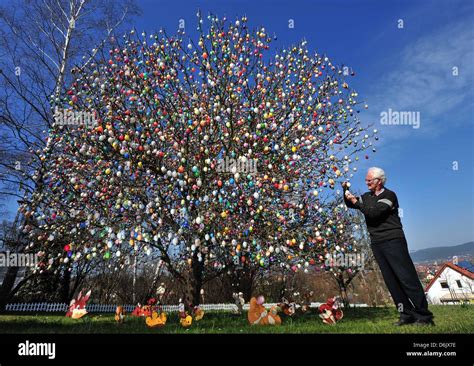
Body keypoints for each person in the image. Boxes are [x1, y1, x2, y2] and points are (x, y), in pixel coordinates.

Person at [343, 167, 434, 326]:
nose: (366, 183)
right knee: (391, 280)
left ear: (379, 181)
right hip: (377, 243)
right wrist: (345, 191)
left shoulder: (389, 196)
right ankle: (406, 315)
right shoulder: (366, 197)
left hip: (393, 240)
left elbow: (374, 213)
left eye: (369, 180)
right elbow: (353, 205)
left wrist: (356, 202)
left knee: (406, 278)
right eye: (366, 180)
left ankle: (424, 316)